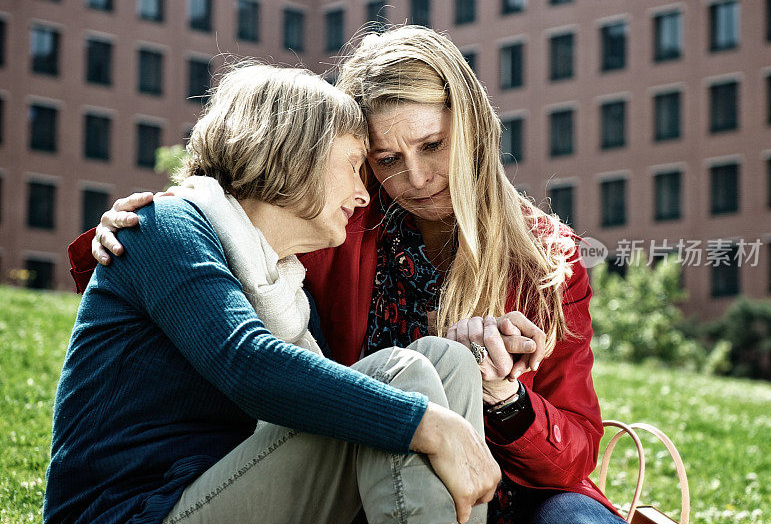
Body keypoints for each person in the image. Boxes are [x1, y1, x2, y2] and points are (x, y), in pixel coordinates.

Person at [71, 27, 626, 524]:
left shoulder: (546, 255)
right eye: (384, 160)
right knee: (406, 373)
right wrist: (136, 221)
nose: (415, 177)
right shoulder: (335, 222)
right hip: (352, 472)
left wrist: (505, 395)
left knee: (572, 514)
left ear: (475, 126)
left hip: (516, 488)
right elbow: (236, 222)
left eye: (433, 145)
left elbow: (575, 453)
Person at [45, 63, 502, 524]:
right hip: (136, 511)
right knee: (397, 379)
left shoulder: (286, 290)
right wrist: (431, 427)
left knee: (449, 361)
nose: (365, 195)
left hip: (219, 489)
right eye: (352, 166)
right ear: (297, 154)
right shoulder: (166, 228)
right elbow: (247, 364)